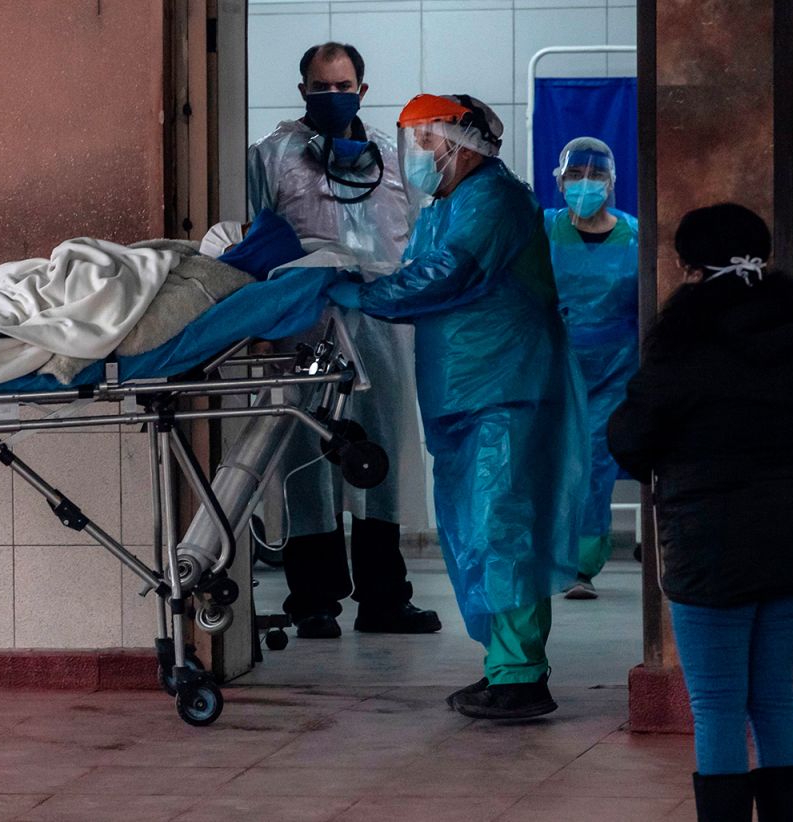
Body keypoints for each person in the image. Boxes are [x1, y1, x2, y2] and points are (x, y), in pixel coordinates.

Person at [328, 93, 587, 719]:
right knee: (476, 532)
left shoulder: (494, 199)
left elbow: (446, 275)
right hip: (465, 396)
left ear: (460, 142)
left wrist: (359, 291)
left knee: (503, 532)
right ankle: (505, 667)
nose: (416, 154)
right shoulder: (448, 206)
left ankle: (523, 677)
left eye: (425, 141)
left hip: (505, 392)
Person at [608, 203, 793, 822]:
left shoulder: (682, 351)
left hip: (707, 541)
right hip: (792, 532)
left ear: (688, 268)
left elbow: (630, 437)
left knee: (716, 704)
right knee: (772, 698)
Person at [247, 42, 438, 639]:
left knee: (382, 453)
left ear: (363, 87)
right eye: (322, 86)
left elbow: (421, 240)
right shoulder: (270, 157)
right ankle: (313, 599)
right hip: (303, 325)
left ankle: (384, 598)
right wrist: (257, 326)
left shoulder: (395, 155)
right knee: (307, 454)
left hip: (382, 325)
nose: (335, 95)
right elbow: (249, 243)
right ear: (302, 90)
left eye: (345, 84)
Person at [543, 137, 640, 599]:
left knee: (596, 464)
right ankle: (550, 558)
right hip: (554, 368)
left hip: (616, 370)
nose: (586, 184)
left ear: (612, 182)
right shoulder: (542, 232)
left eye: (596, 175)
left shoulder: (636, 236)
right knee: (557, 462)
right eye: (576, 175)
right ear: (559, 181)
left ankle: (582, 565)